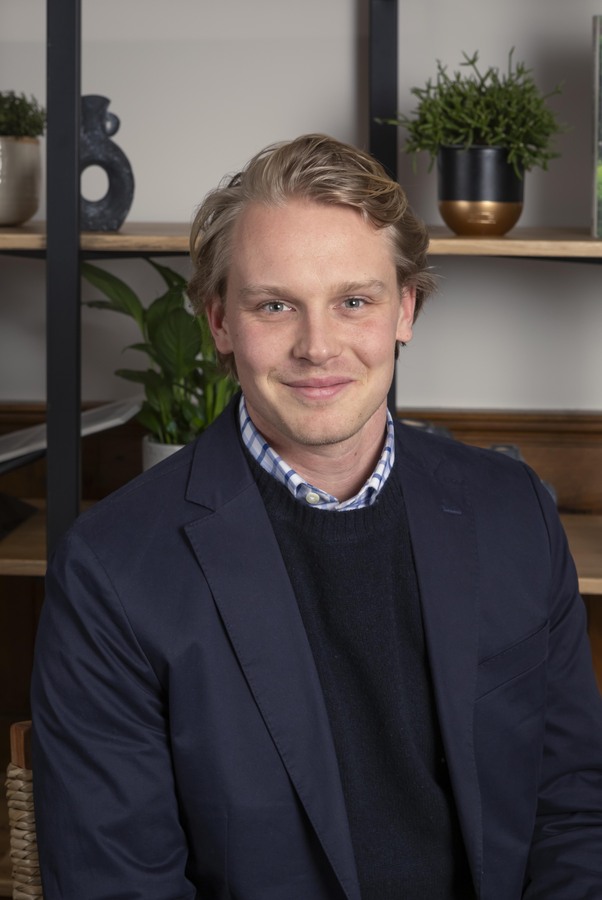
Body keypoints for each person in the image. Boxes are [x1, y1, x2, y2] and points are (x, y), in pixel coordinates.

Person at [31, 134, 602, 900]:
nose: (318, 347)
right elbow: (117, 884)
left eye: (353, 302)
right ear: (220, 322)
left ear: (405, 309)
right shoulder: (112, 570)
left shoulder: (513, 510)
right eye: (275, 306)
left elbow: (575, 807)